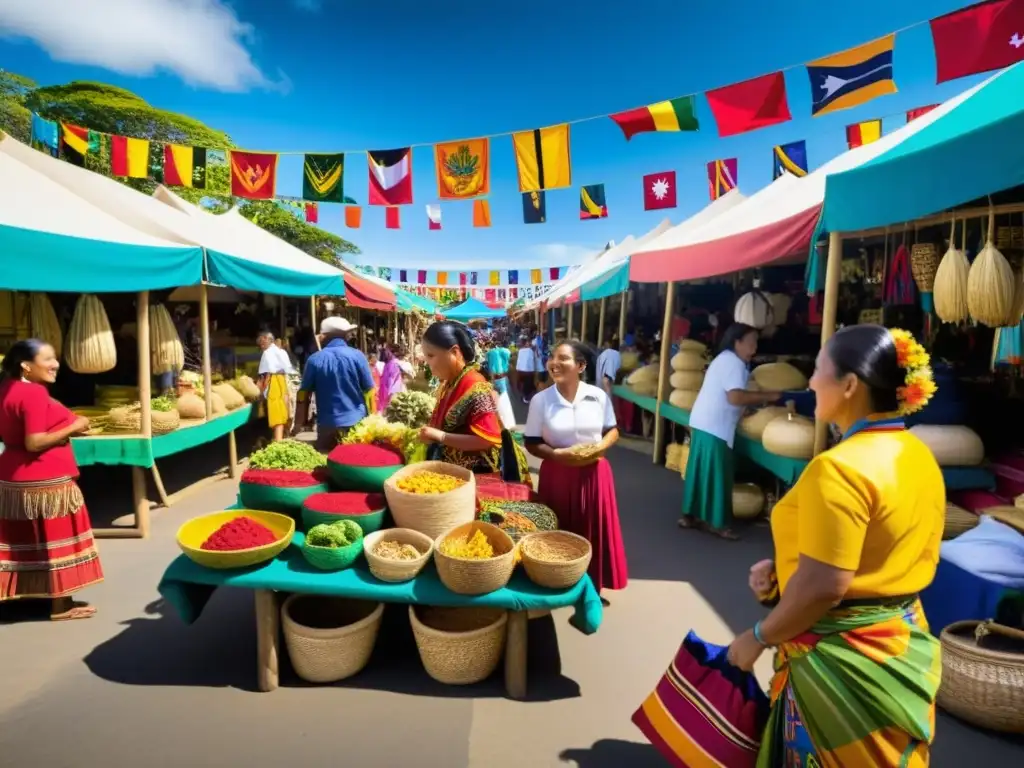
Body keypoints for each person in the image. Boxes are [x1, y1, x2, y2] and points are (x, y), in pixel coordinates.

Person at [726, 325, 943, 766]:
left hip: (842, 659)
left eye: (818, 370)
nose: (809, 381)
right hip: (898, 639)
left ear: (849, 385)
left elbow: (826, 585)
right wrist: (788, 569)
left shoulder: (839, 468)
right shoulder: (918, 453)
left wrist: (757, 637)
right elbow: (877, 546)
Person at [0, 340, 103, 620]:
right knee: (56, 541)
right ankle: (61, 606)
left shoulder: (7, 389)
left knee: (21, 543)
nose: (56, 364)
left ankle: (23, 597)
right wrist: (75, 425)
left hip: (12, 476)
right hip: (46, 479)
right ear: (26, 365)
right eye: (48, 359)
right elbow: (34, 442)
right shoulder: (33, 393)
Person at [524, 341, 627, 596]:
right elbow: (533, 443)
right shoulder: (541, 400)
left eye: (563, 358)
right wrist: (557, 454)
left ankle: (592, 586)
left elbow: (612, 430)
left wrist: (600, 446)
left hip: (595, 473)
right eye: (551, 358)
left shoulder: (597, 396)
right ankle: (559, 581)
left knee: (594, 528)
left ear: (581, 366)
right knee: (561, 528)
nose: (553, 363)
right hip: (558, 474)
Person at [678, 324, 782, 540]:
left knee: (700, 471)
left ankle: (690, 515)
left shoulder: (725, 359)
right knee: (718, 475)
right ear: (737, 342)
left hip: (704, 420)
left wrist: (746, 409)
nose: (754, 347)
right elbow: (734, 397)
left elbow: (732, 397)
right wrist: (768, 397)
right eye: (751, 342)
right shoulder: (733, 363)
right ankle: (718, 523)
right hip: (715, 425)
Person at [417, 321, 529, 481]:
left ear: (454, 352)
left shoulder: (475, 385)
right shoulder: (451, 382)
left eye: (431, 355)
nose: (427, 363)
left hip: (477, 477)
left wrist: (441, 437)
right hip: (455, 475)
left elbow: (486, 440)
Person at [293, 317, 375, 451]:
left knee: (327, 464)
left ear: (324, 336)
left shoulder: (314, 360)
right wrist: (373, 419)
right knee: (356, 462)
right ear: (345, 335)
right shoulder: (357, 356)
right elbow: (370, 391)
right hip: (357, 423)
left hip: (327, 424)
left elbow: (303, 394)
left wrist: (299, 423)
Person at [256, 331, 294, 442]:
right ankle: (282, 437)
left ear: (266, 339)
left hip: (274, 383)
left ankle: (278, 442)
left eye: (261, 343)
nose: (261, 347)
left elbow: (265, 375)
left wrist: (260, 391)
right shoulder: (282, 352)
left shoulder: (268, 353)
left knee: (276, 415)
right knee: (283, 412)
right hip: (283, 382)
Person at [484, 341, 515, 429]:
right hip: (505, 377)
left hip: (497, 379)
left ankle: (505, 424)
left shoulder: (490, 353)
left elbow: (491, 369)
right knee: (506, 400)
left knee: (500, 401)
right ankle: (509, 423)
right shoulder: (506, 351)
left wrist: (492, 381)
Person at [376, 345, 403, 413]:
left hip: (389, 393)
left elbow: (392, 380)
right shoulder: (387, 364)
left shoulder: (392, 364)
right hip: (384, 391)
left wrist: (389, 394)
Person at [515, 335, 538, 403]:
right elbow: (534, 359)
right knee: (528, 384)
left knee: (525, 384)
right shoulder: (531, 350)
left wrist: (518, 369)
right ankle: (527, 398)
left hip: (521, 370)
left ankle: (527, 396)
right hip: (528, 371)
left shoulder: (521, 351)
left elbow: (519, 361)